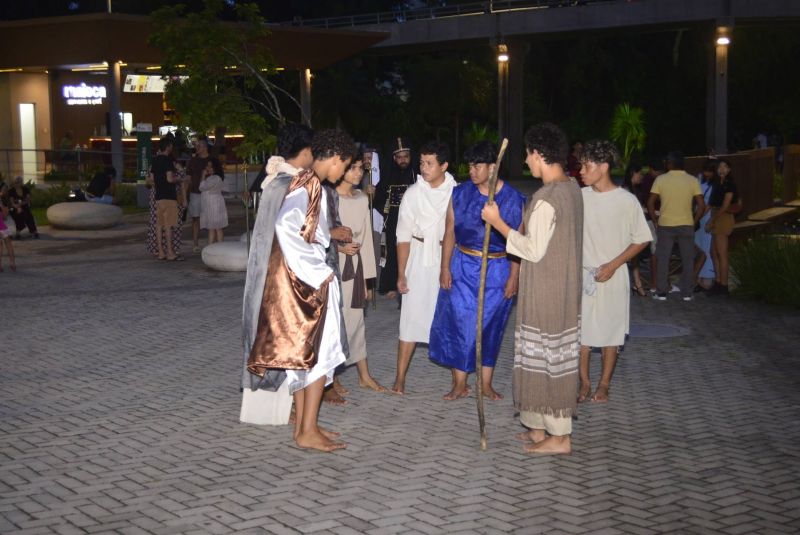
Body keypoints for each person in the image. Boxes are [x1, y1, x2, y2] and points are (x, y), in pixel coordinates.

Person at [247, 128, 356, 452]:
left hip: (299, 281)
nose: (343, 173)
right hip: (305, 283)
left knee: (305, 355)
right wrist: (317, 272)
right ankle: (306, 430)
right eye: (345, 165)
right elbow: (286, 228)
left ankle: (308, 426)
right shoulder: (310, 184)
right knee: (317, 355)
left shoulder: (306, 181)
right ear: (335, 158)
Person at [481, 122, 582, 455]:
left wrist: (498, 224)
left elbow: (532, 249)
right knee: (538, 356)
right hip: (560, 286)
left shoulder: (548, 198)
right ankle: (539, 427)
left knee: (550, 358)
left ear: (540, 154)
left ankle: (560, 437)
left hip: (548, 290)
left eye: (528, 154)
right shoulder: (572, 189)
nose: (526, 161)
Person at [428, 141, 525, 401]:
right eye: (470, 165)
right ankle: (459, 383)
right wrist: (444, 267)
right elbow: (450, 230)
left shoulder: (513, 199)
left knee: (490, 326)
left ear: (493, 167)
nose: (472, 170)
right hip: (462, 266)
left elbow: (518, 242)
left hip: (497, 269)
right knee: (459, 323)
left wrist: (514, 277)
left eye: (477, 165)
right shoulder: (460, 194)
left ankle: (486, 384)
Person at [241, 123, 314, 418]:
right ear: (306, 151)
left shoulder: (277, 181)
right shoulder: (287, 185)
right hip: (279, 275)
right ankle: (290, 408)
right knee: (285, 338)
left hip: (269, 271)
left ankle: (290, 405)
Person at [577, 140, 651, 403]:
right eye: (581, 165)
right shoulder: (580, 197)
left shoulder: (626, 201)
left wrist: (614, 264)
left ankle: (604, 384)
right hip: (584, 275)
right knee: (581, 333)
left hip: (614, 274)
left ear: (604, 167)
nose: (581, 171)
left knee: (611, 332)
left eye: (587, 166)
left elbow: (642, 238)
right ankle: (583, 383)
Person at [390, 141, 457, 395]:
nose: (424, 168)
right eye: (422, 163)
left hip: (446, 257)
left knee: (449, 319)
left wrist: (449, 266)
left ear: (444, 166)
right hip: (419, 258)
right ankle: (399, 379)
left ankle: (457, 381)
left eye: (430, 163)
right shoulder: (413, 194)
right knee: (410, 318)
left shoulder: (456, 192)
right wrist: (401, 273)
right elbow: (403, 236)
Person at [335, 153, 385, 392]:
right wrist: (339, 247)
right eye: (352, 168)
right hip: (333, 267)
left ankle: (364, 374)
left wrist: (367, 281)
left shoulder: (361, 199)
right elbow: (318, 234)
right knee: (334, 324)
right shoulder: (328, 197)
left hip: (355, 269)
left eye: (360, 169)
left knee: (356, 321)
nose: (358, 173)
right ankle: (330, 380)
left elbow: (365, 241)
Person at [647, 151, 705, 301]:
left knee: (663, 258)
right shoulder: (692, 180)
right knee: (688, 258)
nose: (665, 164)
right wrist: (694, 220)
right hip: (686, 223)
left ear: (670, 164)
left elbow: (650, 202)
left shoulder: (661, 179)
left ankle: (661, 292)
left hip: (666, 224)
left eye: (667, 161)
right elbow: (701, 205)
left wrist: (655, 221)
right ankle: (687, 292)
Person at [375, 138, 417, 299]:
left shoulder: (416, 175)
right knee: (391, 250)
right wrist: (374, 193)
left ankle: (410, 282)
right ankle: (390, 284)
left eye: (405, 156)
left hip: (412, 220)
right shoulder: (388, 175)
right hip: (392, 219)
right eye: (399, 157)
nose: (403, 160)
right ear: (394, 158)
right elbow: (379, 198)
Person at [705, 159, 739, 296]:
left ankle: (724, 285)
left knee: (722, 253)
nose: (722, 169)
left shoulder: (730, 184)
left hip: (723, 217)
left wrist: (712, 220)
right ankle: (718, 282)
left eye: (725, 166)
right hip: (715, 214)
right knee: (714, 252)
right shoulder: (716, 183)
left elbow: (725, 206)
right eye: (719, 166)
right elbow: (711, 203)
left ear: (729, 169)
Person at [149, 137, 184, 261]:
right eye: (171, 146)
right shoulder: (168, 160)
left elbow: (152, 179)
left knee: (159, 225)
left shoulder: (155, 160)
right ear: (168, 146)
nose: (172, 148)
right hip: (169, 196)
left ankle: (161, 253)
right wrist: (178, 179)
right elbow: (170, 179)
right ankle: (170, 253)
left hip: (158, 197)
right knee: (169, 226)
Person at [622, 162, 647, 296]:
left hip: (632, 227)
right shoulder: (626, 191)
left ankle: (637, 284)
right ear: (633, 173)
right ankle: (636, 284)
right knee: (630, 256)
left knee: (634, 257)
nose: (642, 176)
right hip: (627, 229)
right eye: (640, 173)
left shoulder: (633, 189)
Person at [694, 160, 717, 290]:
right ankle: (698, 277)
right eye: (705, 170)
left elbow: (709, 205)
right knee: (699, 244)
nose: (706, 173)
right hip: (699, 216)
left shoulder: (715, 185)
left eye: (709, 171)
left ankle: (707, 276)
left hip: (706, 217)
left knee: (707, 246)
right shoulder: (700, 181)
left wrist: (699, 217)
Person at [186, 137, 211, 252]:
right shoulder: (192, 160)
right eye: (196, 146)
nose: (197, 148)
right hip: (195, 192)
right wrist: (185, 193)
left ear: (205, 147)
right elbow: (188, 177)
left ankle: (211, 242)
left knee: (210, 218)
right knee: (195, 218)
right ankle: (195, 243)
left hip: (208, 193)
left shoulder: (211, 160)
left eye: (199, 146)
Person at [199, 157, 228, 245]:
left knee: (216, 228)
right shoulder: (214, 177)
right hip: (212, 204)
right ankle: (213, 248)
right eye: (207, 166)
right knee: (213, 228)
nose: (208, 168)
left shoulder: (215, 178)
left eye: (210, 167)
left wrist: (203, 175)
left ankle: (217, 248)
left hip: (214, 204)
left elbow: (201, 187)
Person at [0, 183, 17, 272]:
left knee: (1, 245)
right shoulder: (3, 199)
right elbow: (5, 214)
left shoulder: (3, 198)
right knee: (8, 243)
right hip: (1, 225)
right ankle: (12, 263)